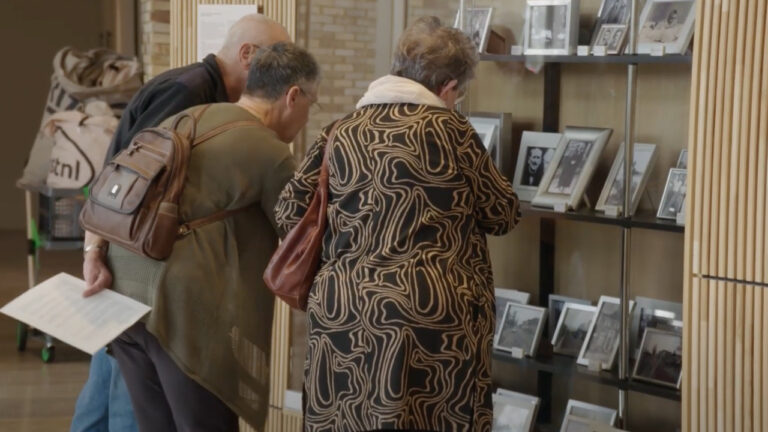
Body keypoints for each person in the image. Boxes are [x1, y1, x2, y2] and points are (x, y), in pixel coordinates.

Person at [275, 17, 520, 432]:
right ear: (447, 87)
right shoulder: (451, 130)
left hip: (344, 311)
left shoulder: (340, 131)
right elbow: (502, 214)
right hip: (433, 319)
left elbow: (288, 211)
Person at [74, 14, 290, 432]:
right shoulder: (187, 94)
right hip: (138, 277)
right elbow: (125, 181)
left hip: (128, 274)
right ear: (247, 55)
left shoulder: (198, 90)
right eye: (272, 58)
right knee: (122, 410)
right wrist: (93, 250)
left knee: (103, 398)